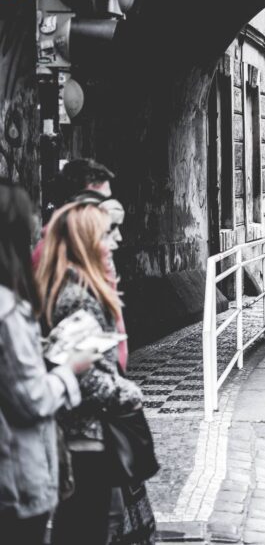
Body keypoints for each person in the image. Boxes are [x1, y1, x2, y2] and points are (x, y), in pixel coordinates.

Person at [37, 201, 145, 545]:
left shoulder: (80, 288)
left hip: (88, 433)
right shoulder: (77, 296)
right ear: (86, 241)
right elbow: (84, 373)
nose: (118, 240)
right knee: (87, 528)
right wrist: (127, 393)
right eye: (108, 233)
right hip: (85, 435)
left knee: (94, 526)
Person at [0, 182, 96, 544]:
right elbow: (32, 399)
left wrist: (39, 348)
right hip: (15, 477)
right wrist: (69, 368)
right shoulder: (7, 310)